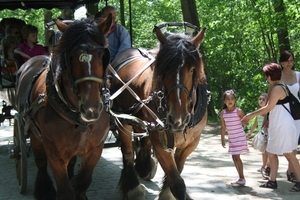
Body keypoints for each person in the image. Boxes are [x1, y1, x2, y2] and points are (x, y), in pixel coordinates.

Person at [242, 63, 300, 191]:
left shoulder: (278, 88)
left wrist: (250, 115)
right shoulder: (274, 86)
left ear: (270, 76)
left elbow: (268, 107)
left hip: (284, 125)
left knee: (289, 154)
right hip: (277, 125)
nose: (266, 78)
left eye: (266, 75)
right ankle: (272, 181)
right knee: (271, 153)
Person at [220, 89, 249, 186]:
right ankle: (240, 177)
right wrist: (223, 139)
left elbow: (246, 122)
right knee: (234, 157)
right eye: (227, 99)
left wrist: (245, 121)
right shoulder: (223, 113)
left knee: (236, 157)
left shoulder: (238, 111)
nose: (230, 100)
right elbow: (223, 127)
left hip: (239, 137)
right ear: (224, 101)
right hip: (232, 139)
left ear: (235, 100)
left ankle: (242, 178)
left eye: (232, 98)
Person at [246, 93, 270, 178]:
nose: (261, 101)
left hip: (268, 134)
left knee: (266, 152)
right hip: (262, 134)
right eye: (260, 99)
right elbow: (256, 123)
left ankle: (265, 167)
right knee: (264, 152)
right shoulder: (259, 112)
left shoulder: (268, 112)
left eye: (263, 99)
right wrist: (251, 132)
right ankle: (265, 166)